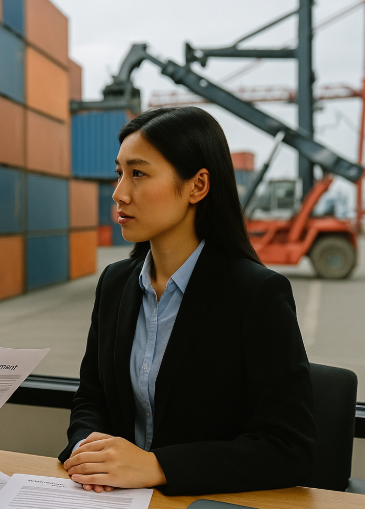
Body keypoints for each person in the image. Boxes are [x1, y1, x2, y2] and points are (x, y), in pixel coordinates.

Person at [59, 107, 316, 496]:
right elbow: (91, 399)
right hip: (113, 498)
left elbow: (290, 449)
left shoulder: (257, 294)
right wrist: (87, 452)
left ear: (197, 186)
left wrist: (157, 466)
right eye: (119, 173)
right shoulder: (115, 283)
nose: (118, 193)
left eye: (139, 174)